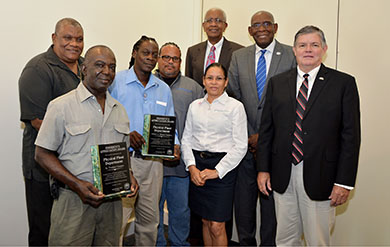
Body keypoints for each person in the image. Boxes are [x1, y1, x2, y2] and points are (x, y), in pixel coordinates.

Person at [257, 25, 361, 246]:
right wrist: (263, 169)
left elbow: (351, 137)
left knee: (317, 240)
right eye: (302, 45)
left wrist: (344, 182)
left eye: (314, 45)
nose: (308, 50)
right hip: (282, 174)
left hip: (322, 176)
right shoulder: (277, 82)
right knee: (284, 239)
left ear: (324, 49)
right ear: (294, 50)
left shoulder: (343, 83)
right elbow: (267, 131)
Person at [34, 45, 139, 246]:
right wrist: (76, 184)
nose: (107, 71)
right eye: (99, 65)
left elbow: (123, 155)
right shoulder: (61, 106)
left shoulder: (119, 110)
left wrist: (130, 176)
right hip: (73, 201)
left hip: (112, 204)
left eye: (112, 66)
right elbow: (42, 154)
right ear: (84, 68)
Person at [227, 10, 296, 246]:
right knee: (244, 205)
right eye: (256, 25)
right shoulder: (238, 56)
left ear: (275, 27)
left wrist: (265, 136)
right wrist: (248, 136)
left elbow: (294, 100)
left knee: (271, 206)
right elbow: (233, 97)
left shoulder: (290, 54)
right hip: (244, 145)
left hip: (276, 146)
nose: (262, 28)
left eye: (267, 24)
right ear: (249, 31)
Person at [18, 17, 84, 246]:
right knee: (43, 232)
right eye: (67, 38)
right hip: (43, 169)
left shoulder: (87, 67)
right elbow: (39, 121)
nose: (74, 44)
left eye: (79, 39)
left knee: (71, 232)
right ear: (54, 38)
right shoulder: (38, 69)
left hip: (76, 167)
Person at [109, 36, 179, 246]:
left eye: (154, 54)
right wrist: (126, 133)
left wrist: (174, 145)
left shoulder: (163, 89)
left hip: (153, 165)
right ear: (134, 53)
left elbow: (169, 122)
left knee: (150, 221)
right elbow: (104, 120)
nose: (150, 58)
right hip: (123, 161)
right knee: (117, 222)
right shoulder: (116, 82)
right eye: (145, 53)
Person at [181, 63, 248, 246]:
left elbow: (241, 146)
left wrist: (217, 171)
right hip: (198, 166)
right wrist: (191, 167)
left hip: (223, 169)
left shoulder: (235, 107)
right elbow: (186, 139)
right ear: (203, 80)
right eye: (210, 78)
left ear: (226, 82)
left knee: (217, 225)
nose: (214, 82)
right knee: (205, 220)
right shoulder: (195, 106)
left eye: (219, 78)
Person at [154, 42, 204, 246]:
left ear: (180, 62)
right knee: (152, 210)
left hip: (181, 164)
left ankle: (179, 243)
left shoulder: (193, 88)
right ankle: (156, 243)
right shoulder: (148, 83)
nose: (170, 62)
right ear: (158, 59)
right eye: (166, 57)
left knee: (181, 210)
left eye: (175, 58)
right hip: (153, 162)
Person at [185, 8, 243, 87]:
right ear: (204, 26)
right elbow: (189, 83)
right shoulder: (193, 51)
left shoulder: (238, 51)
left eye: (218, 20)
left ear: (225, 26)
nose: (213, 24)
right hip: (200, 98)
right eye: (209, 21)